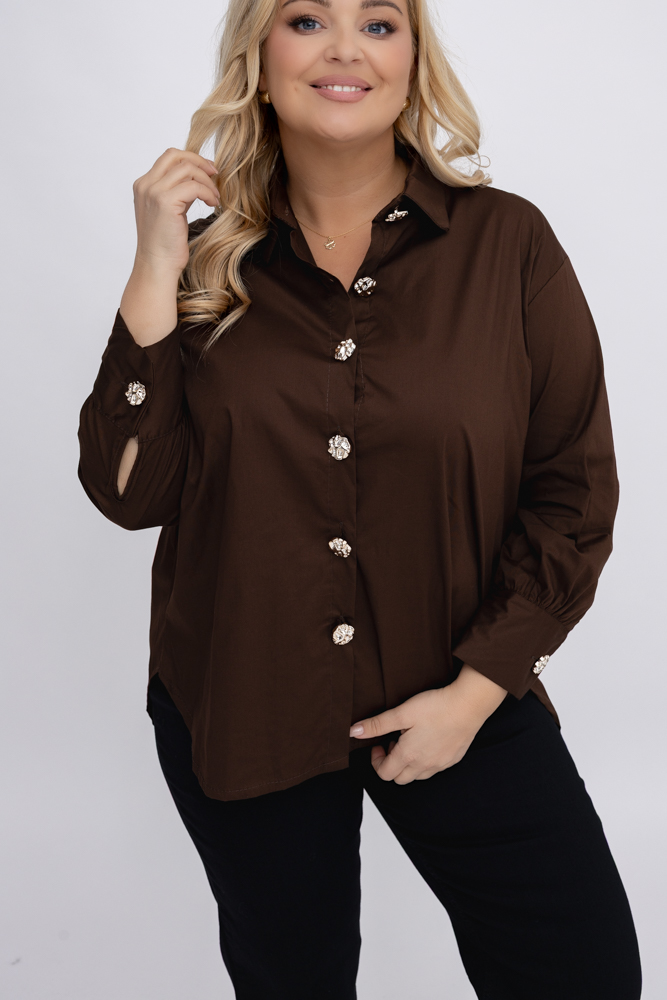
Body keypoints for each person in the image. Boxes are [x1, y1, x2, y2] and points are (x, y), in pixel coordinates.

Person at [77, 0, 643, 995]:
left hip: (462, 680)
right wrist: (156, 265)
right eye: (306, 19)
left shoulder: (506, 243)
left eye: (379, 23)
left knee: (579, 969)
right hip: (243, 697)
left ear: (412, 60)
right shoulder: (202, 264)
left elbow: (571, 491)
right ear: (258, 62)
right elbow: (131, 494)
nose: (344, 46)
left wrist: (474, 696)